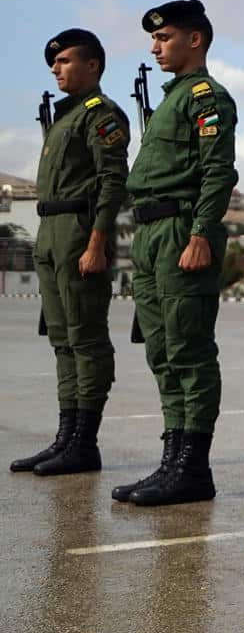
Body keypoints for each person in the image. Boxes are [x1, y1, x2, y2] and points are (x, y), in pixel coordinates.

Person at [115, 0, 239, 504]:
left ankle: (193, 467)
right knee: (162, 353)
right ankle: (172, 459)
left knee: (189, 351)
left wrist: (200, 234)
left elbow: (218, 171)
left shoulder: (207, 97)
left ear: (194, 40)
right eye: (154, 39)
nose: (154, 47)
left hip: (179, 232)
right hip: (148, 235)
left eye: (163, 38)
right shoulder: (171, 98)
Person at [12, 28, 130, 477]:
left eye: (64, 61)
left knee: (86, 338)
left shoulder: (101, 115)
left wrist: (98, 242)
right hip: (50, 230)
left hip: (80, 232)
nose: (56, 69)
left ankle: (84, 442)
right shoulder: (64, 117)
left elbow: (112, 181)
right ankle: (65, 437)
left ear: (93, 65)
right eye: (54, 62)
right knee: (62, 340)